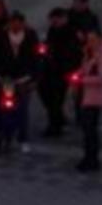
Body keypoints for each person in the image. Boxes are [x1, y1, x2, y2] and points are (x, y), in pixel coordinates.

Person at [0, 11, 38, 154]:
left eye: (18, 22)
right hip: (2, 78)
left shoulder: (31, 37)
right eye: (12, 22)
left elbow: (36, 59)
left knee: (22, 109)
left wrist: (33, 78)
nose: (15, 25)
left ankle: (23, 138)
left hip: (23, 79)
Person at [73, 27, 102, 173]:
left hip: (95, 97)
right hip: (86, 95)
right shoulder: (89, 53)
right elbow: (84, 69)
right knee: (87, 128)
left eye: (93, 40)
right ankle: (89, 157)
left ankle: (92, 159)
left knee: (90, 129)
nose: (90, 42)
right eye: (88, 39)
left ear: (100, 40)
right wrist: (77, 74)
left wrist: (83, 80)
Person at [37, 8, 78, 138]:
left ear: (63, 19)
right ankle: (58, 119)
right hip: (49, 69)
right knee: (45, 93)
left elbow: (71, 53)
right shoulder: (53, 30)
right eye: (52, 20)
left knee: (55, 98)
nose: (53, 23)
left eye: (55, 20)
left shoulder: (70, 32)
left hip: (61, 71)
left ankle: (54, 126)